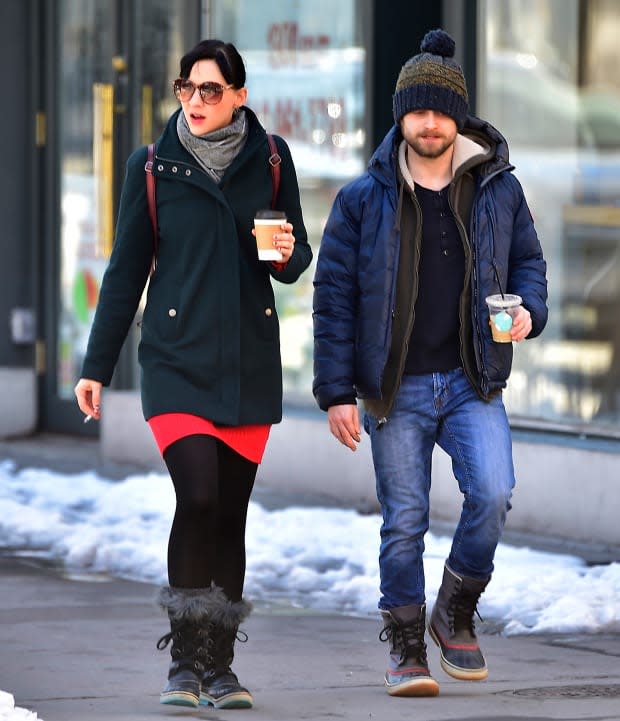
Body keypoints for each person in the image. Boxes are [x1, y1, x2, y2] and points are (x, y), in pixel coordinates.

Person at [75, 39, 312, 710]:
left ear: (241, 95)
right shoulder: (151, 166)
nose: (197, 102)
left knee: (231, 516)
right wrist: (96, 365)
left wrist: (287, 249)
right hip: (174, 361)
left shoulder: (270, 159)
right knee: (199, 496)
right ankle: (184, 661)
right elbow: (125, 272)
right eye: (188, 89)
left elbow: (294, 259)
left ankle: (221, 666)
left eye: (212, 90)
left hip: (248, 366)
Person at [312, 29, 547, 698]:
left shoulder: (498, 188)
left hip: (474, 378)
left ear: (458, 115)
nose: (429, 122)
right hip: (396, 388)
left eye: (441, 110)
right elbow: (332, 298)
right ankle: (408, 645)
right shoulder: (363, 197)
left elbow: (529, 262)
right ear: (401, 115)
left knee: (494, 492)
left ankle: (455, 607)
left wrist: (529, 309)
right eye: (417, 110)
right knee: (404, 519)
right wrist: (336, 390)